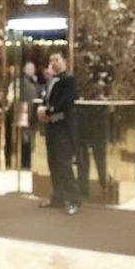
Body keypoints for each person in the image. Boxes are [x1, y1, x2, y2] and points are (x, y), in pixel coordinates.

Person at [37, 52, 80, 215]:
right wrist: (41, 109)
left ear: (64, 62)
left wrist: (48, 110)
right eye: (51, 60)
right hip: (51, 128)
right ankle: (58, 197)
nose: (53, 63)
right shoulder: (51, 81)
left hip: (63, 129)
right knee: (53, 163)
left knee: (64, 164)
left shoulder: (69, 80)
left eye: (57, 60)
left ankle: (74, 199)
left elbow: (67, 101)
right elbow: (46, 99)